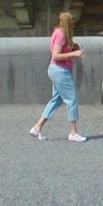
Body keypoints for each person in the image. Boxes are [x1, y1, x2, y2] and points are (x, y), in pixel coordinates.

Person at [29, 10, 86, 142]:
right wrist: (74, 54)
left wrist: (73, 48)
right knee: (72, 99)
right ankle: (73, 132)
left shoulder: (60, 33)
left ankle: (37, 128)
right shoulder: (61, 35)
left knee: (56, 100)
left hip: (57, 70)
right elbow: (56, 55)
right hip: (60, 70)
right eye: (72, 22)